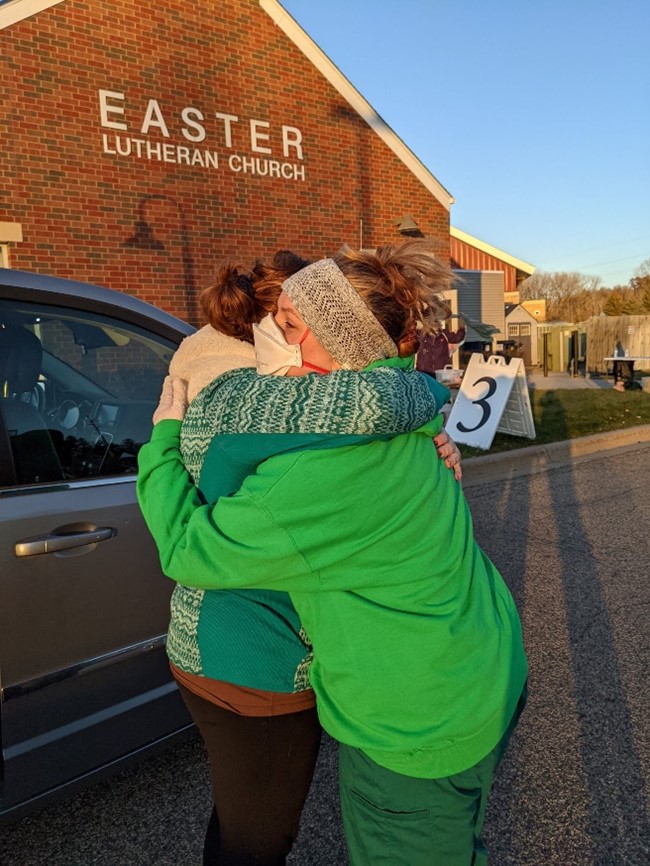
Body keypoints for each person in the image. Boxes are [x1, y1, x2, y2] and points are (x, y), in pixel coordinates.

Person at [138, 240, 526, 865]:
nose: (271, 332)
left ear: (340, 349)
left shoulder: (321, 473)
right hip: (485, 667)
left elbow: (187, 546)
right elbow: (413, 397)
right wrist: (434, 417)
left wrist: (159, 443)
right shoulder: (397, 399)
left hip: (415, 722)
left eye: (291, 324)